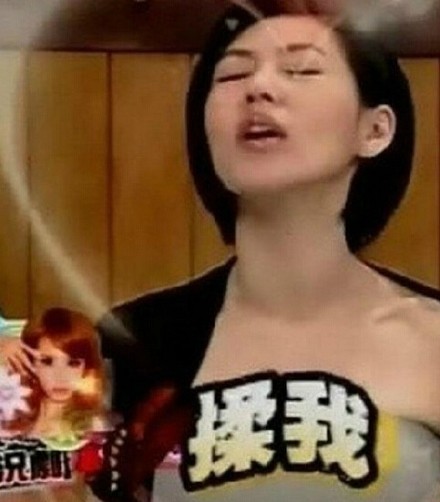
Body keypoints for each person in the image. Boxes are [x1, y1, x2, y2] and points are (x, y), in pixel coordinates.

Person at [91, 0, 440, 501]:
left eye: (301, 69)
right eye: (232, 75)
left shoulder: (432, 337)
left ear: (376, 129)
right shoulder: (133, 344)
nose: (258, 88)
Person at [0, 307, 108, 450]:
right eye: (47, 362)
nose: (60, 376)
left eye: (73, 363)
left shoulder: (97, 427)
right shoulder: (10, 415)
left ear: (86, 368)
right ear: (29, 363)